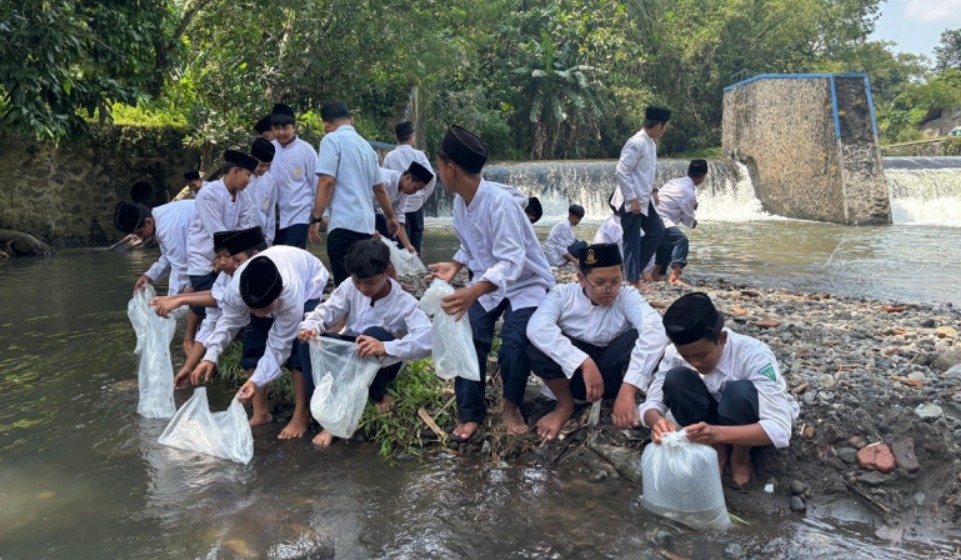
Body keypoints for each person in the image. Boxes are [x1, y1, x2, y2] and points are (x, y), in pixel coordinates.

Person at [428, 125, 555, 440]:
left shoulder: (500, 205)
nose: (439, 172)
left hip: (525, 283)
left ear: (451, 168)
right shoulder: (462, 203)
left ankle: (511, 405)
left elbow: (512, 262)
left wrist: (472, 291)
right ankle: (470, 412)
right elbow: (473, 245)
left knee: (514, 343)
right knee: (468, 334)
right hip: (487, 282)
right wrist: (456, 265)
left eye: (439, 165)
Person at [639, 292, 800, 486]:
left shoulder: (754, 355)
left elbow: (780, 429)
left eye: (702, 355)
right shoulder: (674, 354)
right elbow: (652, 403)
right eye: (687, 357)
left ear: (722, 338)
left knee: (739, 392)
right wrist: (657, 421)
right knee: (676, 379)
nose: (695, 362)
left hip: (747, 419)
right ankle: (716, 449)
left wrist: (716, 433)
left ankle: (740, 458)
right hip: (710, 420)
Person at [525, 243, 668, 440]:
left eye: (615, 281)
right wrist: (582, 362)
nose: (608, 289)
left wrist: (629, 388)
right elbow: (537, 327)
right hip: (572, 377)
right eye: (599, 283)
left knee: (637, 337)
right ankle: (565, 404)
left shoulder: (627, 296)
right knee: (536, 346)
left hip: (613, 374)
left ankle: (627, 401)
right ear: (582, 279)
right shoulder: (562, 294)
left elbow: (656, 329)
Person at [297, 239, 432, 446]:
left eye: (369, 282)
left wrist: (385, 347)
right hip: (352, 350)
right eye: (357, 282)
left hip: (383, 363)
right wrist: (312, 326)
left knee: (372, 334)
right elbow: (327, 311)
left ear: (387, 271)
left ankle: (376, 395)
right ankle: (323, 404)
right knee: (308, 340)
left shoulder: (405, 303)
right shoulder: (349, 288)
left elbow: (426, 339)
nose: (362, 288)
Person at [191, 245, 331, 439]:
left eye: (265, 309)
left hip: (308, 283)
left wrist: (255, 380)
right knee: (254, 342)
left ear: (279, 294)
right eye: (254, 309)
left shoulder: (290, 294)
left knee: (299, 348)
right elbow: (229, 321)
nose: (260, 314)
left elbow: (279, 346)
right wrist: (210, 356)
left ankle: (302, 414)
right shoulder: (238, 289)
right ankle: (261, 413)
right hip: (266, 285)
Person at [151, 227, 268, 387]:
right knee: (250, 357)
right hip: (243, 319)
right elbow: (211, 322)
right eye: (219, 256)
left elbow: (219, 299)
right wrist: (188, 366)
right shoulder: (224, 277)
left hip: (272, 318)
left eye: (229, 256)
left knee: (256, 348)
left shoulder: (259, 272)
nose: (222, 262)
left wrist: (179, 299)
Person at [310, 100, 400, 285]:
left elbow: (327, 181)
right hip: (366, 226)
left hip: (343, 224)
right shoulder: (367, 147)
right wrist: (391, 217)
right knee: (364, 281)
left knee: (345, 285)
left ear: (325, 123)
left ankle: (352, 314)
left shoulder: (331, 139)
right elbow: (380, 188)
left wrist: (316, 218)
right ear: (351, 119)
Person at [185, 149, 259, 353]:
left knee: (227, 302)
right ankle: (198, 344)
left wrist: (241, 259)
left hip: (229, 259)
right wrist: (225, 258)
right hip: (205, 258)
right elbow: (216, 231)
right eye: (248, 175)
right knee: (211, 306)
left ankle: (216, 347)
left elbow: (245, 231)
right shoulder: (208, 194)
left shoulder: (244, 199)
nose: (248, 181)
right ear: (235, 171)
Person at [612, 105, 671, 289]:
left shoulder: (651, 143)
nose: (665, 130)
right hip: (631, 200)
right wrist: (632, 199)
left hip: (644, 199)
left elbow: (644, 172)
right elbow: (621, 171)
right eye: (665, 126)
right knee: (632, 240)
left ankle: (631, 269)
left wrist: (653, 190)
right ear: (659, 125)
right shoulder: (636, 143)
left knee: (657, 231)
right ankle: (633, 280)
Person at [114, 199, 194, 297]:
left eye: (140, 233)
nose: (141, 238)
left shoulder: (168, 230)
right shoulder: (159, 217)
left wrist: (171, 301)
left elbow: (181, 268)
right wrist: (148, 276)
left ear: (148, 222)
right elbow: (169, 256)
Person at [382, 121, 435, 253]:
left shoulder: (390, 156)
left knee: (397, 241)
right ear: (411, 137)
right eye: (416, 187)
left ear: (397, 137)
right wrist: (423, 196)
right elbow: (432, 177)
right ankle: (415, 263)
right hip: (415, 205)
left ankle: (405, 264)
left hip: (393, 204)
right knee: (416, 237)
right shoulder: (419, 155)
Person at [270, 102, 318, 248]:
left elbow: (316, 183)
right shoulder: (269, 149)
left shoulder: (306, 150)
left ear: (294, 127)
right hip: (274, 216)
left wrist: (317, 218)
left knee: (292, 255)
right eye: (277, 128)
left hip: (299, 213)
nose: (282, 132)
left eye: (286, 128)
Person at [653, 159, 706, 286]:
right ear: (702, 176)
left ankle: (656, 274)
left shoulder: (675, 182)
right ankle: (674, 276)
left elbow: (670, 200)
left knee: (665, 244)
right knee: (681, 240)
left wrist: (692, 206)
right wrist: (693, 223)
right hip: (662, 219)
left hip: (653, 216)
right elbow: (687, 217)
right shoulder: (689, 193)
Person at [374, 162, 435, 254]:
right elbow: (363, 201)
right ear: (408, 178)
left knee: (390, 238)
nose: (415, 193)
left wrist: (407, 246)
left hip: (374, 210)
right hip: (358, 206)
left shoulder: (404, 191)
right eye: (415, 188)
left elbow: (399, 219)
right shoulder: (385, 179)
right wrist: (370, 229)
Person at [246, 137, 279, 246]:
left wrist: (269, 239)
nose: (264, 169)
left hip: (261, 239)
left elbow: (270, 213)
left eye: (268, 166)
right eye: (261, 165)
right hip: (240, 236)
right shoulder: (240, 178)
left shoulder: (270, 181)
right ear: (251, 159)